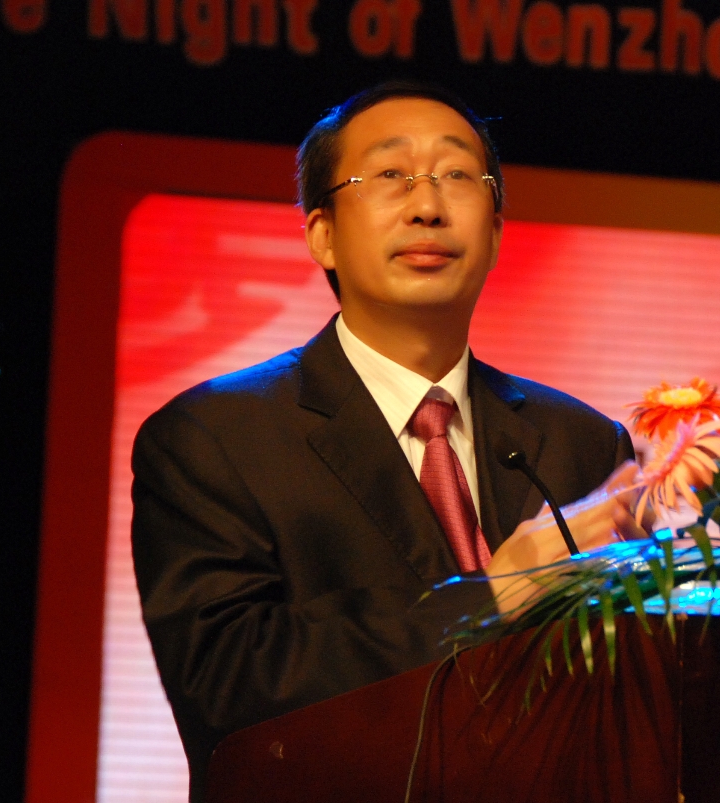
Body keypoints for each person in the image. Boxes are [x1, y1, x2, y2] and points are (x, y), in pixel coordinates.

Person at [130, 81, 647, 801]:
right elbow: (228, 681)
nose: (427, 205)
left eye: (457, 174)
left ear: (497, 233)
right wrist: (490, 599)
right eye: (390, 175)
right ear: (322, 233)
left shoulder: (583, 443)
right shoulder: (214, 437)